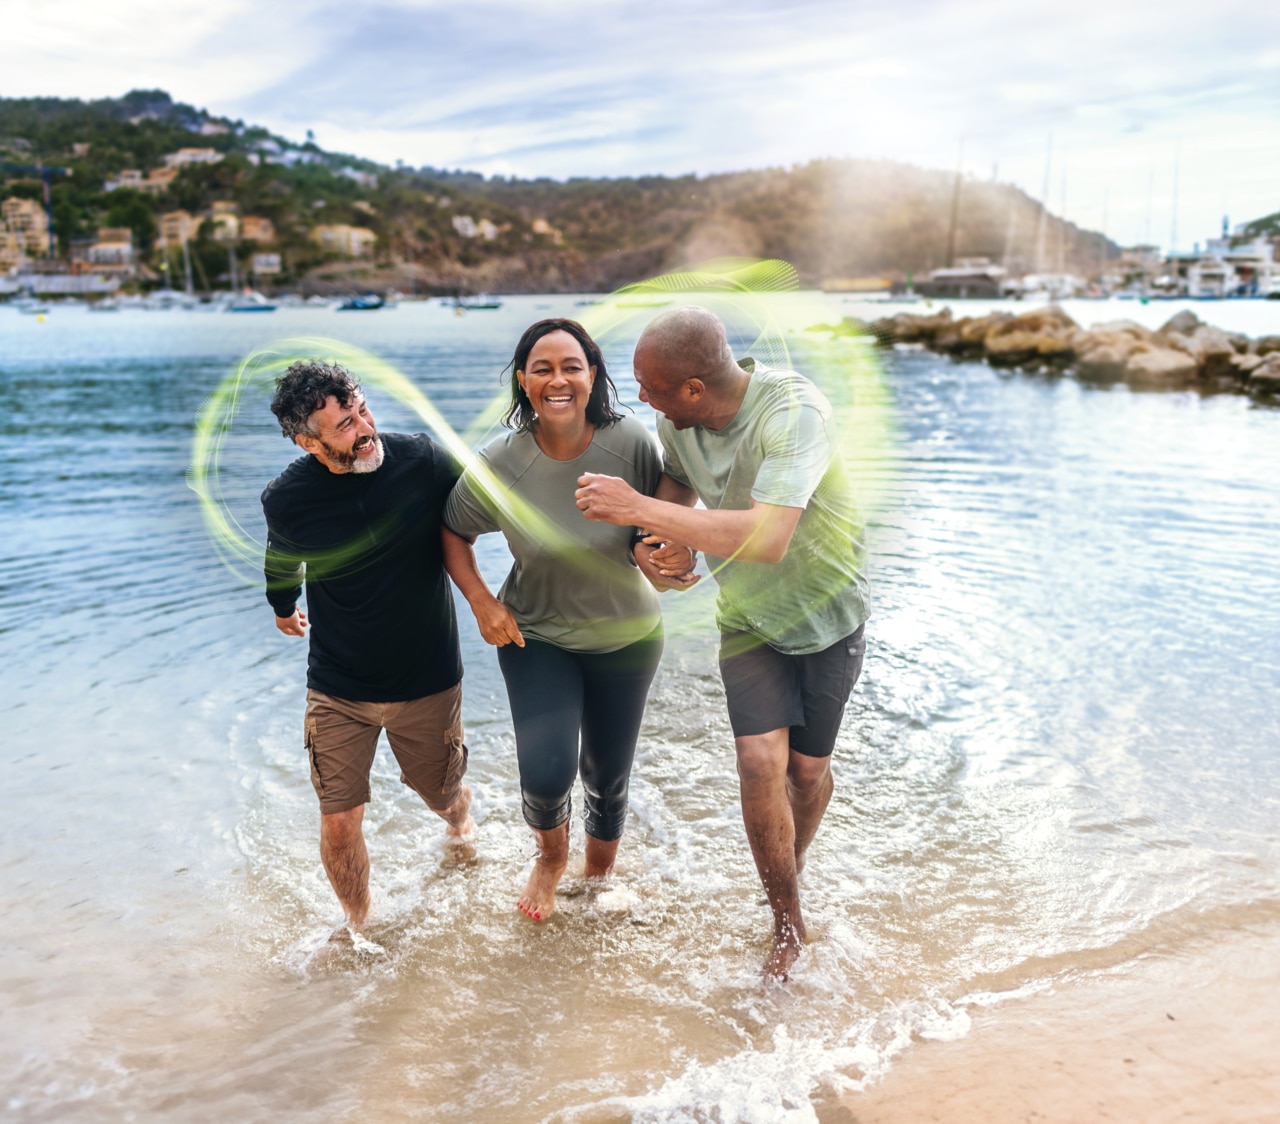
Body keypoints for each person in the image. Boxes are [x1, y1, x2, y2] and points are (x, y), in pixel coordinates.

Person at [574, 306, 870, 979]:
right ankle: (788, 922)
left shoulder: (794, 415)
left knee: (806, 773)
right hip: (747, 621)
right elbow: (672, 510)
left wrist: (636, 509)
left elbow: (768, 539)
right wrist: (654, 552)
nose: (638, 398)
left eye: (649, 387)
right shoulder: (678, 424)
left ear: (694, 390)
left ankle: (787, 868)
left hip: (830, 616)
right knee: (760, 764)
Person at [442, 318, 695, 921]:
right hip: (536, 635)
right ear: (524, 382)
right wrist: (482, 601)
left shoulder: (630, 441)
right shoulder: (501, 461)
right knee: (548, 773)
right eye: (543, 368)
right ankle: (552, 857)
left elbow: (663, 517)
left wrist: (668, 555)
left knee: (608, 775)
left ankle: (599, 875)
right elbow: (453, 532)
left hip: (628, 638)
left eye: (572, 366)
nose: (558, 380)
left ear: (593, 376)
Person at [261, 360, 480, 937]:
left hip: (426, 677)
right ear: (310, 443)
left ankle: (460, 824)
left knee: (441, 793)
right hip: (338, 686)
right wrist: (283, 609)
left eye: (362, 409)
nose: (366, 428)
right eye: (345, 425)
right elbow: (282, 561)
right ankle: (358, 927)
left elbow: (487, 509)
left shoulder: (422, 460)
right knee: (338, 820)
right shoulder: (288, 498)